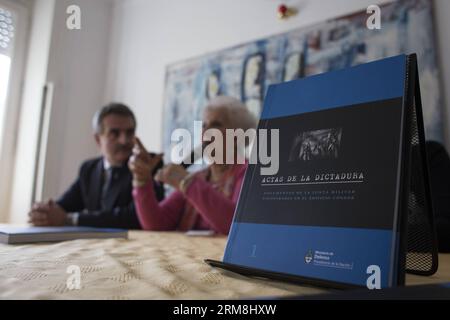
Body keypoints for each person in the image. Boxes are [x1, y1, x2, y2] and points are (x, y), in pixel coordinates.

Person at [129, 96, 257, 234]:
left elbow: (237, 226)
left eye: (216, 125)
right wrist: (141, 180)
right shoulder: (198, 177)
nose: (205, 132)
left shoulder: (250, 173)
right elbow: (156, 224)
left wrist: (187, 183)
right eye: (204, 125)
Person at [28, 103, 164, 229]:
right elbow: (65, 205)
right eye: (114, 133)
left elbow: (134, 217)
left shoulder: (149, 164)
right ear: (98, 139)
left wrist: (70, 219)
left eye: (129, 132)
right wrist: (44, 211)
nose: (124, 140)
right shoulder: (88, 169)